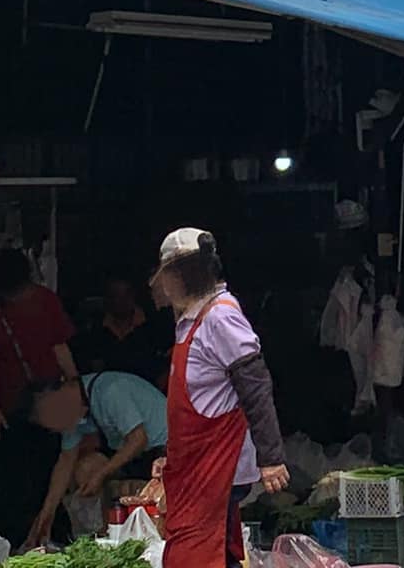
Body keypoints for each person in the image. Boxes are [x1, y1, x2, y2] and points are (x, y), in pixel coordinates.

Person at [150, 228, 289, 568]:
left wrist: (270, 457)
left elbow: (255, 385)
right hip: (194, 466)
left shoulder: (220, 316)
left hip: (216, 467)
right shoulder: (192, 317)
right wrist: (173, 455)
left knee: (195, 554)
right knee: (210, 552)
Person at [0, 247, 79, 544]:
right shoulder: (46, 300)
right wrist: (75, 385)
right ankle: (57, 535)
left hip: (12, 405)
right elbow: (61, 349)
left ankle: (15, 540)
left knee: (12, 478)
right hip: (50, 399)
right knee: (50, 469)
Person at [23, 371, 169, 548]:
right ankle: (106, 537)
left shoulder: (109, 391)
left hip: (162, 451)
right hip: (135, 458)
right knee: (86, 469)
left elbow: (138, 439)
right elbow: (66, 461)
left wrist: (100, 475)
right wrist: (46, 515)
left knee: (100, 475)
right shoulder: (76, 415)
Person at [74, 275, 171, 387]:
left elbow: (167, 364)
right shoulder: (96, 330)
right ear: (108, 298)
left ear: (133, 295)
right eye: (116, 295)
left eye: (126, 294)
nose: (122, 300)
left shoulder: (154, 325)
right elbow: (95, 371)